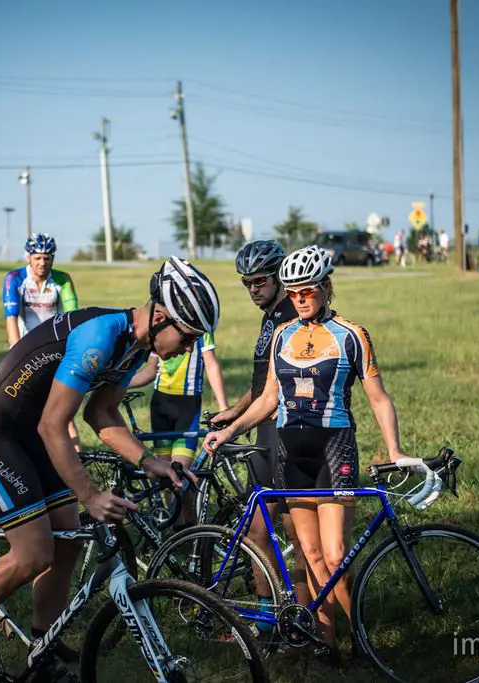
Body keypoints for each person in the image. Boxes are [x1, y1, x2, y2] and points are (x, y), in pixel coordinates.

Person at [0, 256, 210, 680]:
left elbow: (102, 415)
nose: (190, 347)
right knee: (34, 552)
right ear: (161, 316)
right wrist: (90, 494)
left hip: (29, 434)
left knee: (68, 541)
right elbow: (55, 424)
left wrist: (150, 462)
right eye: (188, 336)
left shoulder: (133, 346)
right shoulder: (101, 336)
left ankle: (40, 656)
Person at [204, 245, 407, 667]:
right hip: (291, 453)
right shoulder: (282, 334)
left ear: (326, 288)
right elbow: (267, 400)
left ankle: (365, 644)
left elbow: (379, 399)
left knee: (336, 556)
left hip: (335, 449)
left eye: (308, 291)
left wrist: (395, 451)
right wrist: (230, 430)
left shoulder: (352, 334)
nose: (299, 299)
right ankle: (327, 646)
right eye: (294, 292)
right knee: (309, 554)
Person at [210, 240, 310, 633]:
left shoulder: (290, 317)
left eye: (260, 280)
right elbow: (261, 383)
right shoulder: (270, 316)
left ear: (279, 277)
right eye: (247, 282)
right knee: (257, 529)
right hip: (262, 430)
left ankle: (305, 620)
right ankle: (269, 620)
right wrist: (234, 411)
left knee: (295, 533)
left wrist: (239, 422)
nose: (253, 288)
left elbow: (279, 389)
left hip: (282, 433)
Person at [128, 313, 228, 527]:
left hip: (188, 406)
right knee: (165, 477)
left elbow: (211, 365)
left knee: (180, 474)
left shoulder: (200, 329)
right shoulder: (163, 331)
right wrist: (119, 384)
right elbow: (149, 372)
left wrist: (223, 408)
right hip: (160, 406)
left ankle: (189, 524)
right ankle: (175, 527)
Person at [3, 233, 82, 452]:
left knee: (62, 407)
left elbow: (72, 317)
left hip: (55, 350)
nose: (42, 263)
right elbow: (10, 317)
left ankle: (77, 460)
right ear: (28, 257)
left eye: (47, 258)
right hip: (25, 350)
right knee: (24, 407)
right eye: (37, 258)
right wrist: (17, 352)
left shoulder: (62, 279)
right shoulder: (15, 279)